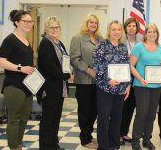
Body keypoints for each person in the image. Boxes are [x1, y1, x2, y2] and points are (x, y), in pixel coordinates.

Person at [0, 9, 35, 150]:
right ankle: (14, 147)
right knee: (14, 119)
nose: (28, 24)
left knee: (24, 118)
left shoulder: (26, 40)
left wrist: (31, 69)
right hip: (14, 86)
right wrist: (21, 68)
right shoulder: (10, 40)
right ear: (17, 22)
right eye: (25, 21)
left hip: (27, 86)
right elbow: (0, 61)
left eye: (30, 21)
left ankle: (18, 144)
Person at [92, 20, 131, 150]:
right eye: (114, 29)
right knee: (103, 118)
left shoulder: (123, 47)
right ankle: (103, 146)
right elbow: (96, 66)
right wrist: (108, 79)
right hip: (105, 88)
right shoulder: (101, 46)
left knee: (116, 118)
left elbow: (127, 66)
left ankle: (114, 144)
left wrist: (128, 85)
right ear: (109, 31)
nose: (116, 32)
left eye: (119, 30)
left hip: (120, 89)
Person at [130, 23, 161, 150]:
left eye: (154, 32)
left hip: (156, 86)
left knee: (152, 114)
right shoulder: (138, 47)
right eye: (149, 32)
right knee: (142, 113)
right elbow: (131, 66)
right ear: (145, 33)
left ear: (157, 34)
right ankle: (135, 140)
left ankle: (147, 139)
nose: (152, 34)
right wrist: (140, 78)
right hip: (141, 85)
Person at [38, 16, 73, 150]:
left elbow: (64, 62)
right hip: (50, 89)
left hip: (59, 88)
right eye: (51, 27)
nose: (54, 29)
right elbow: (50, 66)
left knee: (55, 119)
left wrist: (69, 72)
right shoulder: (45, 43)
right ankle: (46, 147)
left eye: (57, 27)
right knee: (48, 120)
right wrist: (66, 76)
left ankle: (53, 144)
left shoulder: (59, 43)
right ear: (46, 29)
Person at [70, 14, 103, 149]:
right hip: (84, 81)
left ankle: (89, 135)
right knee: (85, 111)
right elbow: (74, 59)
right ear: (86, 23)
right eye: (91, 22)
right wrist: (89, 70)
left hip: (98, 82)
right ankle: (84, 138)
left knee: (95, 110)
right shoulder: (77, 38)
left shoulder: (101, 39)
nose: (93, 24)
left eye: (96, 22)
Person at [120, 18, 142, 145]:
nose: (131, 28)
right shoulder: (121, 40)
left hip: (137, 78)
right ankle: (117, 134)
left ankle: (124, 133)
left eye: (134, 25)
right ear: (125, 27)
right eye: (129, 26)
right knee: (122, 107)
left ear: (137, 27)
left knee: (131, 108)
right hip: (123, 78)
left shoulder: (141, 41)